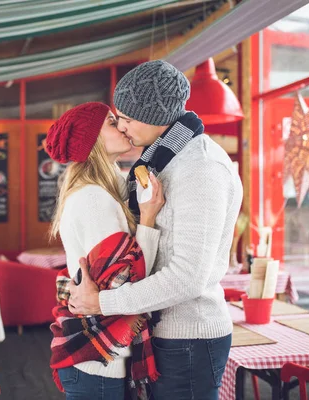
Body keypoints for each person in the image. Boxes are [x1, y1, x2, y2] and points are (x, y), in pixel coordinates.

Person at [67, 60, 244, 399]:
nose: (122, 127)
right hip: (164, 332)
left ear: (157, 118)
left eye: (129, 119)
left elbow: (188, 277)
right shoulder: (161, 158)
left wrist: (102, 302)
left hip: (189, 335)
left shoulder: (199, 167)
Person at [46, 102, 165, 400]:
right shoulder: (94, 198)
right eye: (112, 122)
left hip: (96, 355)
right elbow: (127, 282)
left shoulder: (103, 190)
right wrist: (148, 219)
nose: (123, 126)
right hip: (97, 359)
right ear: (93, 139)